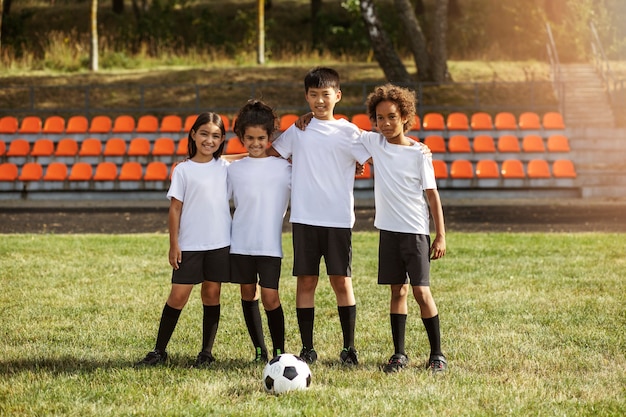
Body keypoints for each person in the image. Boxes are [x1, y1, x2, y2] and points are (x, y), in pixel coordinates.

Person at [266, 66, 372, 366]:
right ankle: (308, 348)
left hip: (338, 219)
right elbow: (272, 157)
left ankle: (349, 348)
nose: (319, 101)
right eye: (313, 95)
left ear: (337, 96)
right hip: (304, 218)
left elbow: (377, 153)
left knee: (342, 281)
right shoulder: (298, 131)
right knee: (306, 282)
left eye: (325, 95)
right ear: (306, 97)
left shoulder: (350, 132)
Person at [359, 84, 447, 373]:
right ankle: (399, 354)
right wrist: (307, 118)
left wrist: (440, 235)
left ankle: (437, 354)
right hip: (388, 231)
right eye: (380, 118)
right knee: (398, 291)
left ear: (405, 117)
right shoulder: (374, 143)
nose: (385, 123)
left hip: (415, 232)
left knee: (421, 292)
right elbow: (342, 132)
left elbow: (432, 196)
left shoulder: (419, 154)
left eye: (392, 117)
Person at [135, 112, 231, 368]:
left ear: (222, 140)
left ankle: (206, 353)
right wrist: (174, 244)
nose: (209, 140)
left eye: (215, 136)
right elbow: (175, 208)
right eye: (204, 133)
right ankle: (159, 350)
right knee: (178, 296)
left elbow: (250, 158)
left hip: (220, 243)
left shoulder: (225, 168)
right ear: (193, 134)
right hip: (189, 245)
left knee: (211, 294)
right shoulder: (183, 170)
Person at [228, 99, 291, 362]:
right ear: (242, 137)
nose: (255, 143)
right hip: (240, 243)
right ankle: (258, 350)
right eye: (250, 138)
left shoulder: (286, 168)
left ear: (270, 137)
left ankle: (278, 350)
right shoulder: (233, 170)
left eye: (261, 138)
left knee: (270, 297)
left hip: (269, 245)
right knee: (247, 292)